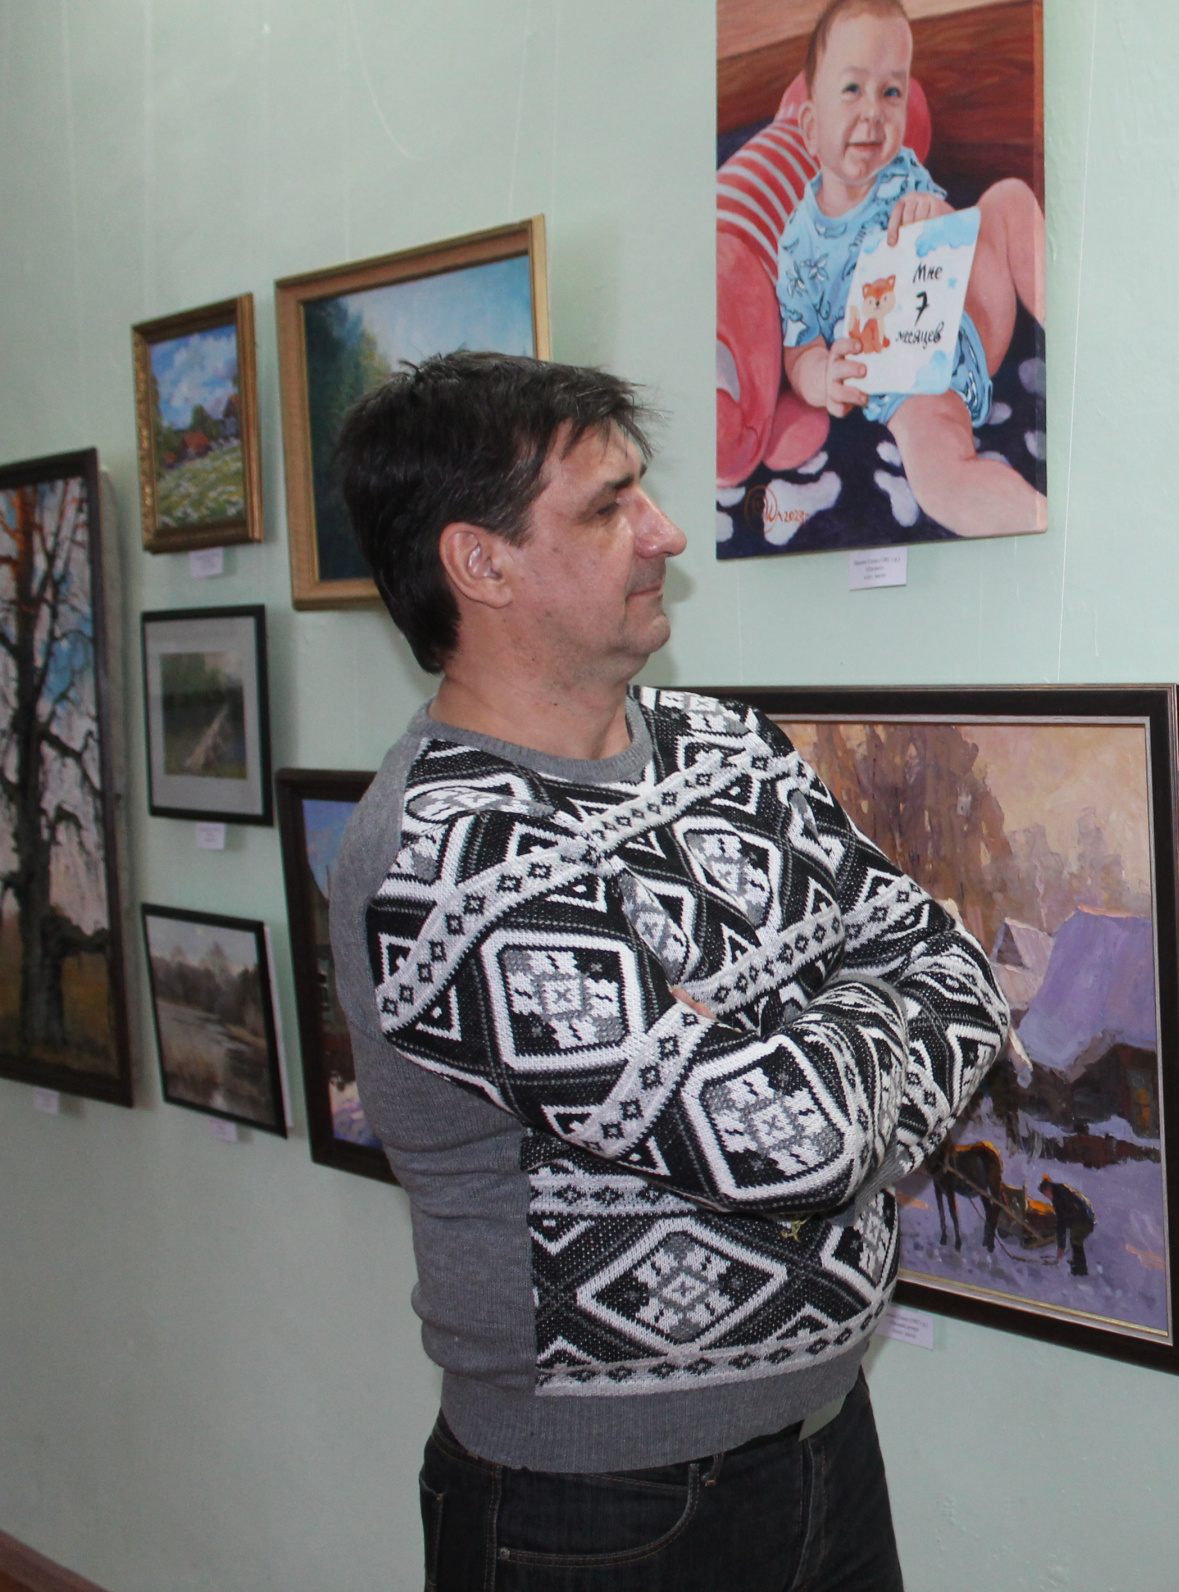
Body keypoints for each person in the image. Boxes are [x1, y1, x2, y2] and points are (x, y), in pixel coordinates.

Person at [328, 350, 1009, 1591]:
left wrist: (779, 1041)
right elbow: (791, 1145)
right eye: (608, 507)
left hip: (826, 1445)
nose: (666, 532)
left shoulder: (724, 743)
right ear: (480, 563)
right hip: (596, 1517)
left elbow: (954, 962)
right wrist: (834, 1020)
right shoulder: (445, 855)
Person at [776, 0, 1047, 537]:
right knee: (938, 478)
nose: (873, 111)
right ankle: (1040, 518)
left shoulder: (902, 171)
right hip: (916, 384)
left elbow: (954, 239)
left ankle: (1080, 334)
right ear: (809, 127)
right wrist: (823, 378)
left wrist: (936, 211)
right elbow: (799, 347)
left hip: (978, 309)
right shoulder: (799, 247)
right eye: (852, 89)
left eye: (891, 91)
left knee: (1011, 198)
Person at [1038, 1174, 1095, 1277]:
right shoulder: (1060, 1191)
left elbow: (1061, 1221)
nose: (1047, 1197)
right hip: (1082, 1219)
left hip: (1082, 1221)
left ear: (1048, 1189)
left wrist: (1061, 1247)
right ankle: (1078, 1265)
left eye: (1046, 1194)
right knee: (1075, 1240)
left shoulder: (1059, 1197)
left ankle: (1081, 1269)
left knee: (1076, 1240)